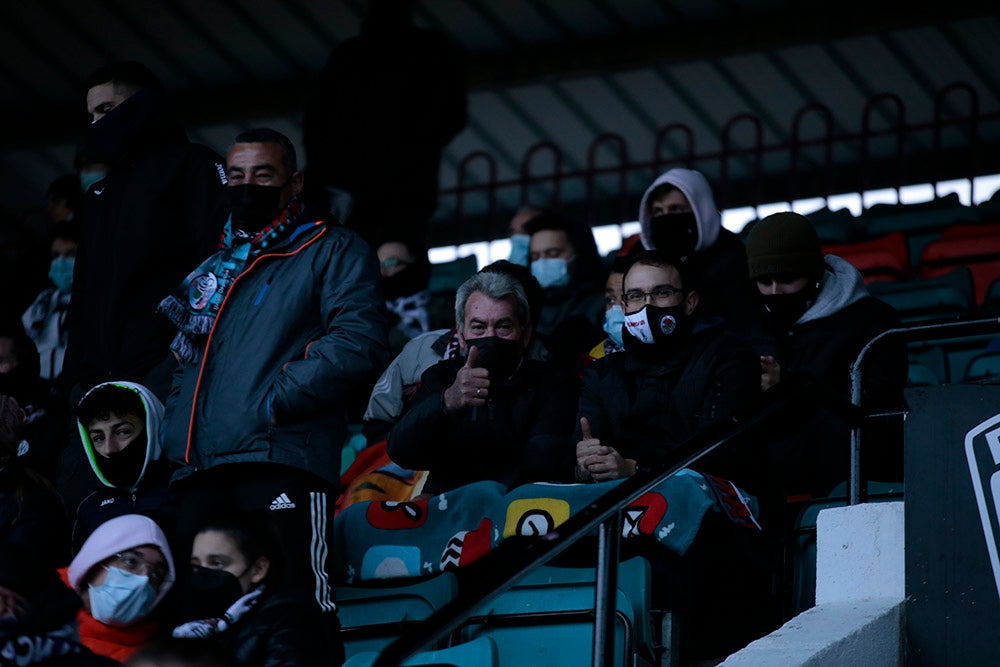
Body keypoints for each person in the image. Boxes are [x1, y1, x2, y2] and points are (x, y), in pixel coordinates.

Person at [160, 128, 389, 615]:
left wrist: (272, 400)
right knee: (201, 618)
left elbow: (357, 341)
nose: (248, 186)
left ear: (295, 181)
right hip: (200, 467)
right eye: (237, 175)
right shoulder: (214, 266)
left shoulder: (333, 248)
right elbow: (186, 357)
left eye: (263, 174)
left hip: (281, 457)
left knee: (296, 606)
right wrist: (177, 424)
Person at [63, 61, 228, 401]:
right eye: (91, 115)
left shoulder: (194, 165)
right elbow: (83, 294)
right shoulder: (99, 194)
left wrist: (177, 352)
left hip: (167, 370)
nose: (97, 124)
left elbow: (218, 259)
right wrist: (74, 379)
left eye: (106, 110)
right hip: (97, 380)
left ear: (143, 105)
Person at [744, 211, 907, 501]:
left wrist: (790, 389)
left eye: (787, 278)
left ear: (814, 272)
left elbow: (873, 406)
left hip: (854, 483)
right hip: (773, 494)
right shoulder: (750, 327)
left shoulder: (873, 321)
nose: (774, 291)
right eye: (763, 281)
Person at [573, 250, 760, 486]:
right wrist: (587, 466)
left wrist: (635, 469)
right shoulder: (600, 374)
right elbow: (579, 465)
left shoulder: (727, 358)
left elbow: (723, 455)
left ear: (689, 302)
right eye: (636, 296)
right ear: (624, 306)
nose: (648, 305)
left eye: (662, 293)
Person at [387, 269, 578, 495]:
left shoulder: (554, 383)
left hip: (519, 505)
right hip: (449, 506)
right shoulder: (441, 377)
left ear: (525, 334)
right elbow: (401, 451)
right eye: (479, 327)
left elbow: (544, 460)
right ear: (461, 336)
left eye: (503, 326)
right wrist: (448, 402)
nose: (491, 336)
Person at [302, 0, 466, 244]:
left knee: (359, 251)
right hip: (395, 183)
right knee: (393, 256)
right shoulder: (431, 49)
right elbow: (452, 113)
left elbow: (316, 122)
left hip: (369, 182)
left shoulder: (351, 55)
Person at [172, 514, 342, 666]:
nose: (203, 573)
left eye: (217, 563)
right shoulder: (194, 622)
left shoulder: (293, 622)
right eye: (196, 565)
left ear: (258, 569)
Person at [638, 168, 757, 330]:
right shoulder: (646, 263)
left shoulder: (732, 258)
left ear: (701, 211)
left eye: (676, 209)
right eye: (658, 211)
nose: (666, 218)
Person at [72, 382, 174, 555]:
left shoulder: (182, 493)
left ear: (153, 428)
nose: (109, 449)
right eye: (98, 438)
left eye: (122, 432)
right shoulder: (89, 508)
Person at [62, 514, 176, 663]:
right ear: (92, 563)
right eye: (131, 562)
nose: (144, 579)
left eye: (157, 574)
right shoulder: (37, 617)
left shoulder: (155, 659)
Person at [525, 212, 606, 370]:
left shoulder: (602, 304)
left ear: (579, 254)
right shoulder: (527, 309)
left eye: (552, 253)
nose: (542, 262)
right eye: (535, 257)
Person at [22, 219, 81, 384]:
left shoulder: (97, 298)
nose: (61, 261)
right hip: (42, 385)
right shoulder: (44, 299)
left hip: (77, 382)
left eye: (70, 254)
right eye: (56, 255)